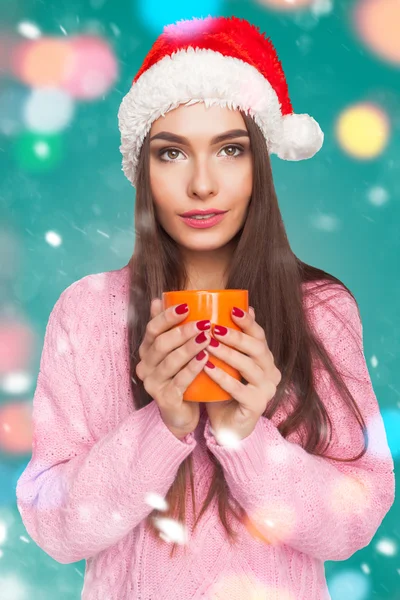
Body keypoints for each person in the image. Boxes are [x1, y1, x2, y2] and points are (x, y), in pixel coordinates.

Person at [16, 15, 395, 600]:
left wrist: (246, 435)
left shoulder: (320, 309)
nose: (201, 184)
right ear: (142, 169)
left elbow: (353, 521)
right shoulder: (88, 311)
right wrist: (161, 426)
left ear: (259, 164)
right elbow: (55, 528)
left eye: (229, 150)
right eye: (171, 154)